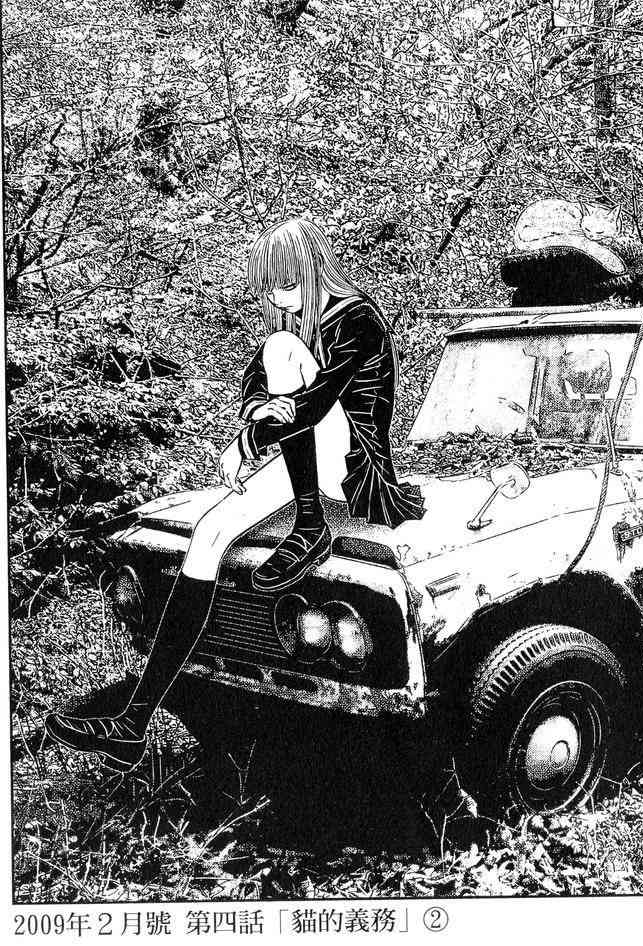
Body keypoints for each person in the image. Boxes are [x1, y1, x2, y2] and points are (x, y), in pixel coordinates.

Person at [45, 218, 425, 771]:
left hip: (352, 471)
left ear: (314, 269)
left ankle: (311, 524)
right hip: (306, 455)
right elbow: (254, 388)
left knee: (280, 349)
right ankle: (133, 723)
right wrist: (254, 417)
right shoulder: (297, 325)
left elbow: (314, 403)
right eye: (270, 287)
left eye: (288, 282)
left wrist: (250, 438)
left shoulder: (357, 318)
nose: (280, 296)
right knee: (209, 535)